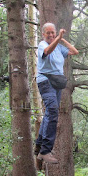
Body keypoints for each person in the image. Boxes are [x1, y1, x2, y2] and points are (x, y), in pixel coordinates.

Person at [35, 22, 79, 163]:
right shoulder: (42, 45)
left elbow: (74, 51)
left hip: (57, 83)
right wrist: (57, 39)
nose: (51, 35)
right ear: (43, 34)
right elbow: (47, 52)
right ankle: (45, 151)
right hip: (46, 81)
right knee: (53, 110)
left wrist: (62, 39)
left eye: (52, 32)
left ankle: (39, 145)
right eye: (48, 33)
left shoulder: (59, 47)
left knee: (50, 112)